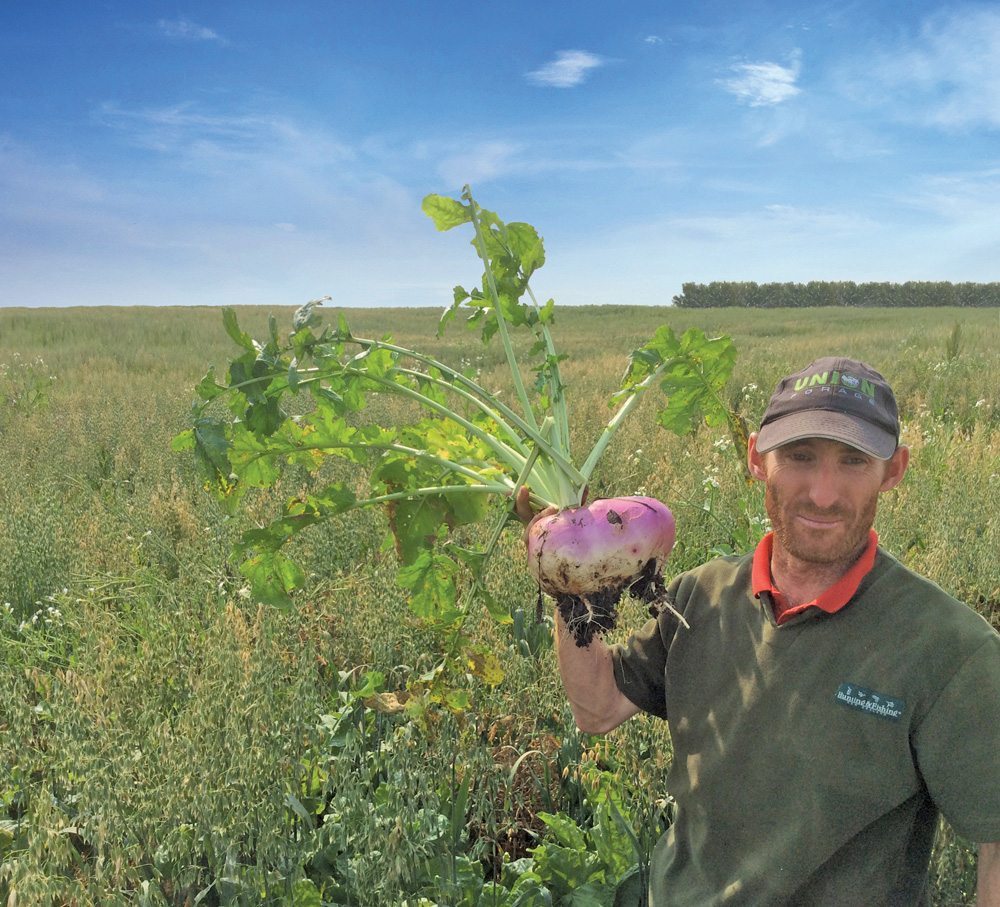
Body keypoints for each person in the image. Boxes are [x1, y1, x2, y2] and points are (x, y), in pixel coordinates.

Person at [518, 356, 1000, 906]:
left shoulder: (949, 648)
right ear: (755, 459)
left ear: (893, 471)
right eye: (799, 457)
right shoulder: (701, 596)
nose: (823, 492)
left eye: (853, 461)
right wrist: (568, 575)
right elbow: (598, 708)